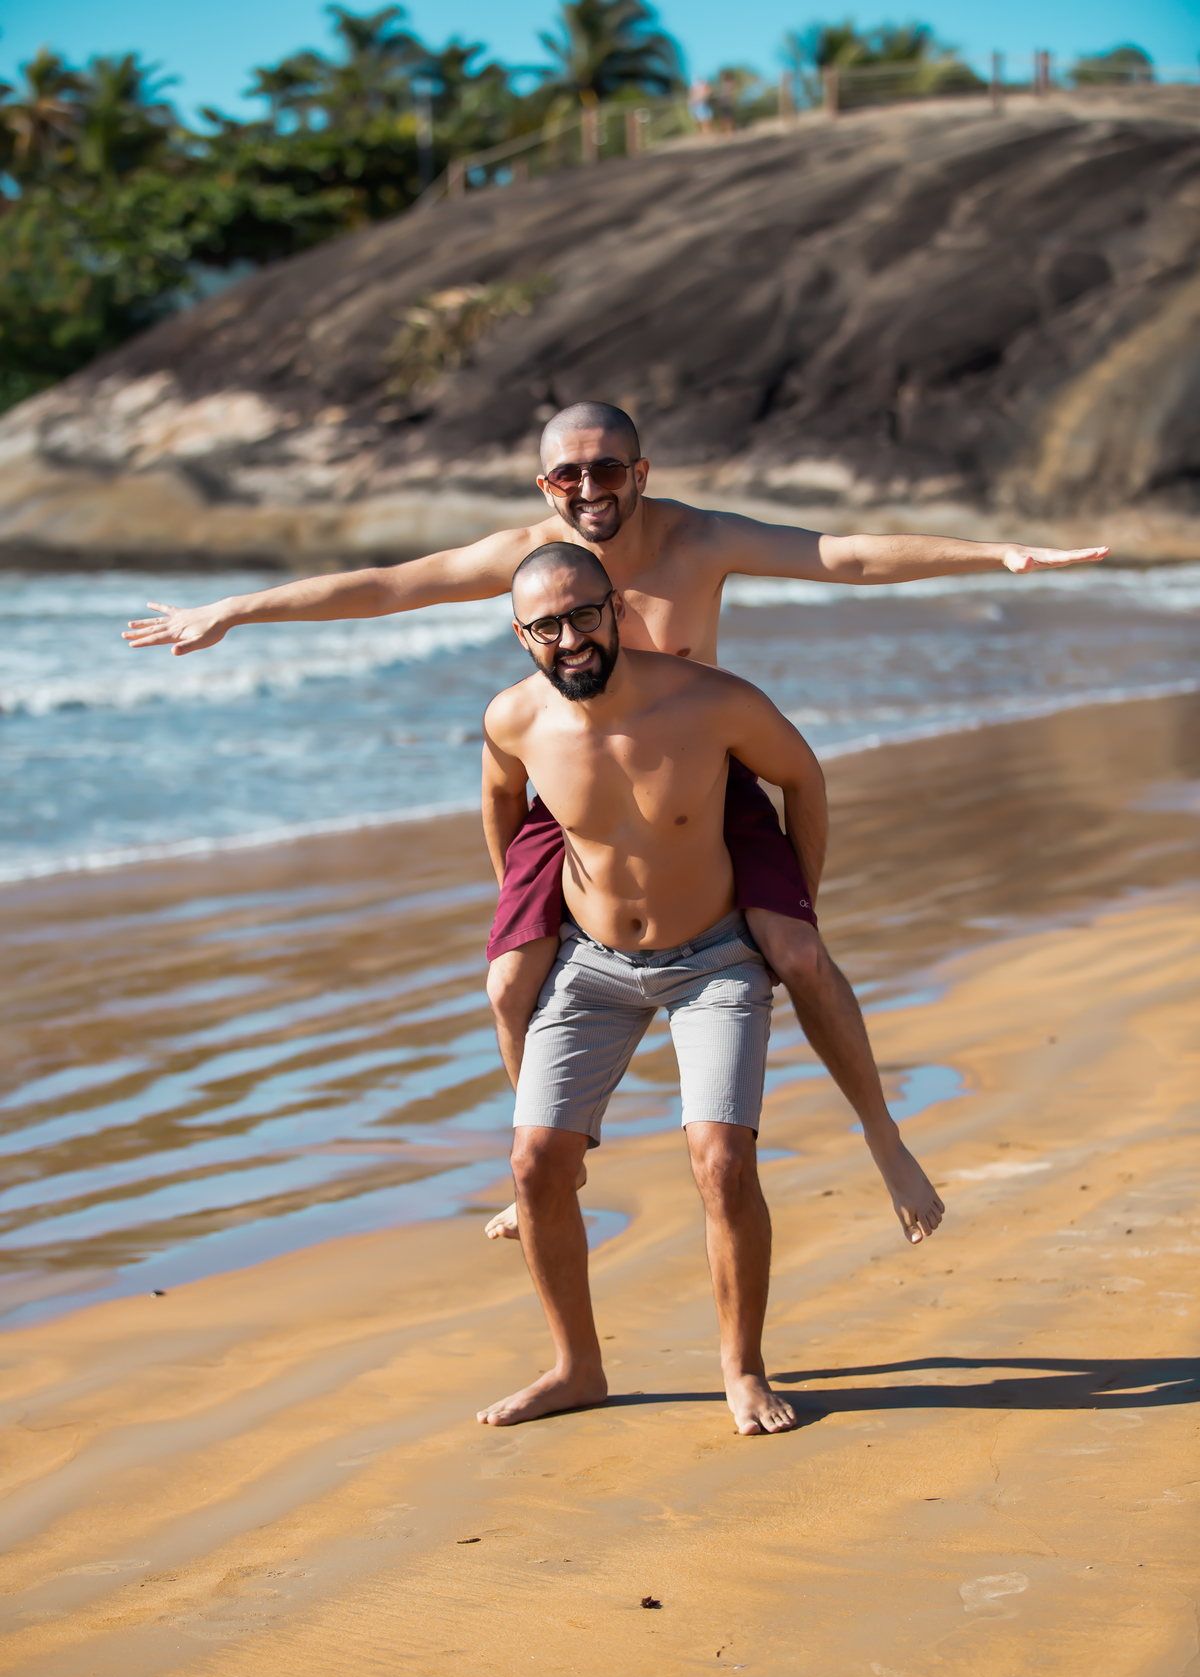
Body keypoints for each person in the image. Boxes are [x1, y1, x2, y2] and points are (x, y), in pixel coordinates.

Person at [123, 402, 1107, 1237]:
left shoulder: (701, 540)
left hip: (709, 785)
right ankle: (548, 1160)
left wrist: (995, 553)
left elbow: (842, 554)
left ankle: (886, 1140)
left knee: (798, 955)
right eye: (566, 475)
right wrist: (238, 609)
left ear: (639, 472)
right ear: (543, 486)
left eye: (605, 469)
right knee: (510, 976)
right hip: (573, 794)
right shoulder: (526, 557)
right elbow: (389, 587)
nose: (586, 488)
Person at [477, 539, 942, 1433]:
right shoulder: (513, 718)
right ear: (520, 632)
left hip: (715, 959)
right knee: (535, 1164)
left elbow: (800, 776)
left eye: (584, 614)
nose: (569, 638)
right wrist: (526, 906)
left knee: (722, 1164)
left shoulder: (713, 702)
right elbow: (504, 805)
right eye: (546, 625)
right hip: (593, 964)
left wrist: (794, 895)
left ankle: (742, 1369)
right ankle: (577, 1369)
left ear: (615, 608)